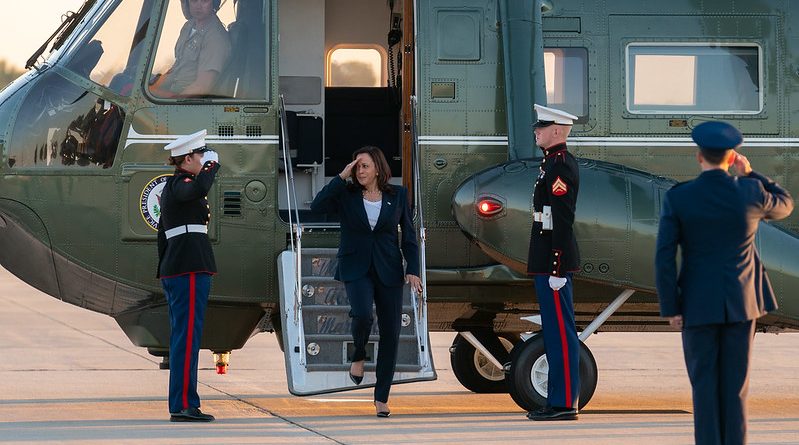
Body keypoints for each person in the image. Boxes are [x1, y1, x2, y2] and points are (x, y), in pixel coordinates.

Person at [655, 121, 793, 444]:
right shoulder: (750, 192)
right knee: (735, 390)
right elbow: (785, 202)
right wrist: (751, 173)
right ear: (732, 157)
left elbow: (663, 257)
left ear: (698, 156)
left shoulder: (679, 198)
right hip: (741, 304)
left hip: (697, 306)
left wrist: (671, 307)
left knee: (704, 388)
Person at [310, 146, 422, 418]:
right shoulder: (346, 195)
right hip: (355, 266)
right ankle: (358, 354)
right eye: (357, 166)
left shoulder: (398, 196)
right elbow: (317, 206)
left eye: (365, 166)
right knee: (361, 314)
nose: (360, 171)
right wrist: (341, 176)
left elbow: (408, 236)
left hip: (388, 269)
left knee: (391, 332)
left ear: (378, 169)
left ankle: (381, 397)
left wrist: (413, 268)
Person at [157, 129, 221, 422]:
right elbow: (196, 190)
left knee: (184, 337)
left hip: (180, 267)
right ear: (188, 159)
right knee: (187, 338)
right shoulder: (182, 184)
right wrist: (212, 166)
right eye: (200, 155)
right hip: (189, 269)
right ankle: (184, 405)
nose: (203, 159)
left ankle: (183, 402)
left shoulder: (175, 187)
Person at [526, 104, 581, 421]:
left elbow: (562, 219)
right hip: (546, 258)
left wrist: (557, 269)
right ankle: (559, 400)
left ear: (557, 131)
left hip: (553, 262)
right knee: (554, 331)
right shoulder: (551, 163)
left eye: (542, 126)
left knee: (561, 332)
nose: (537, 130)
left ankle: (564, 403)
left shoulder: (560, 166)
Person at [150, 0, 231, 97]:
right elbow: (177, 67)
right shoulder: (189, 26)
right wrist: (152, 86)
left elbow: (202, 86)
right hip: (171, 90)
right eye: (194, 0)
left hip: (183, 99)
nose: (198, 6)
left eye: (204, 1)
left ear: (214, 3)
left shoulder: (215, 38)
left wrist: (170, 103)